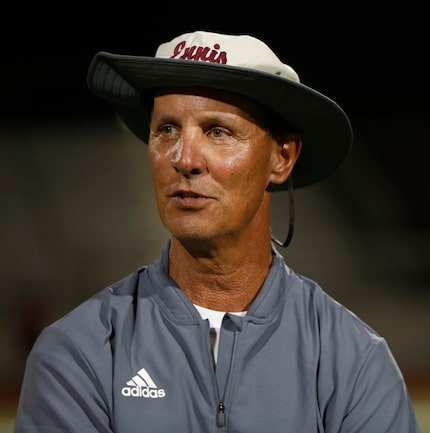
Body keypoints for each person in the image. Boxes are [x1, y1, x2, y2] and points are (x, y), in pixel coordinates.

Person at [14, 30, 421, 433]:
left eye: (217, 131)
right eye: (167, 129)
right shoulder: (75, 353)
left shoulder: (355, 361)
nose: (184, 158)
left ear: (282, 157)